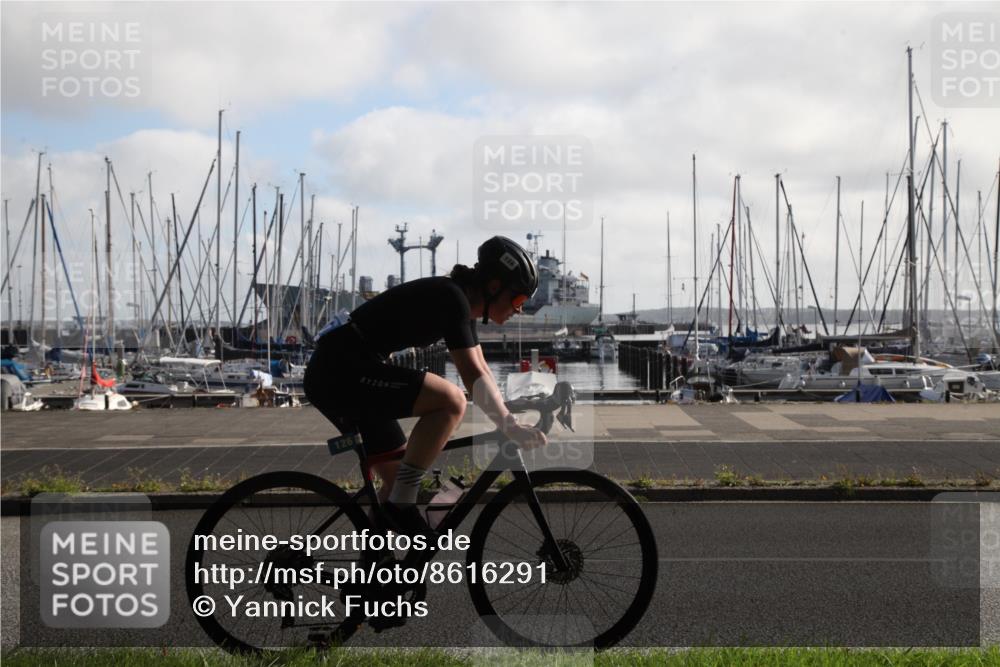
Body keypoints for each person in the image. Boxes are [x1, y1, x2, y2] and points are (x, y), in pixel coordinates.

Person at [303, 236, 547, 534]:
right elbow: (470, 375)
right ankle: (401, 507)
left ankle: (375, 571)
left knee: (397, 481)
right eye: (519, 299)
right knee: (451, 400)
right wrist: (508, 425)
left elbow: (483, 369)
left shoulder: (463, 306)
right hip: (340, 371)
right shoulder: (452, 299)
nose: (519, 309)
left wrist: (508, 418)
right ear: (495, 287)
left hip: (348, 369)